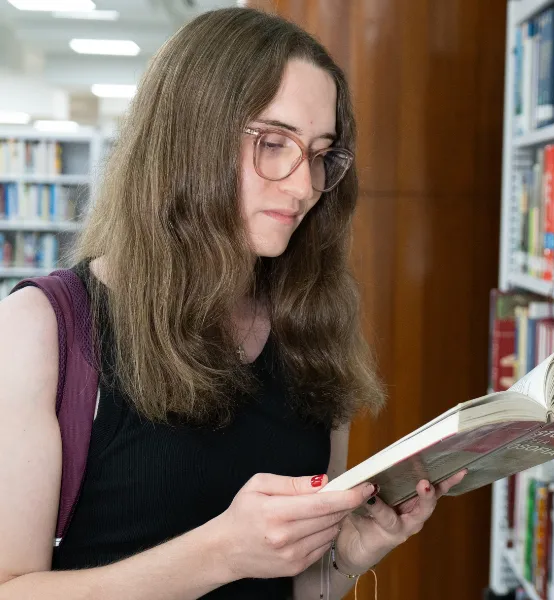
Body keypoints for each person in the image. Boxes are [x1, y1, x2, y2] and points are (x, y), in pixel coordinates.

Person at [0, 8, 466, 600]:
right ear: (188, 140)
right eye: (272, 143)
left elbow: (294, 588)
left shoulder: (309, 330)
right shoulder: (42, 329)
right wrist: (218, 554)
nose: (304, 186)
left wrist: (346, 556)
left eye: (320, 154)